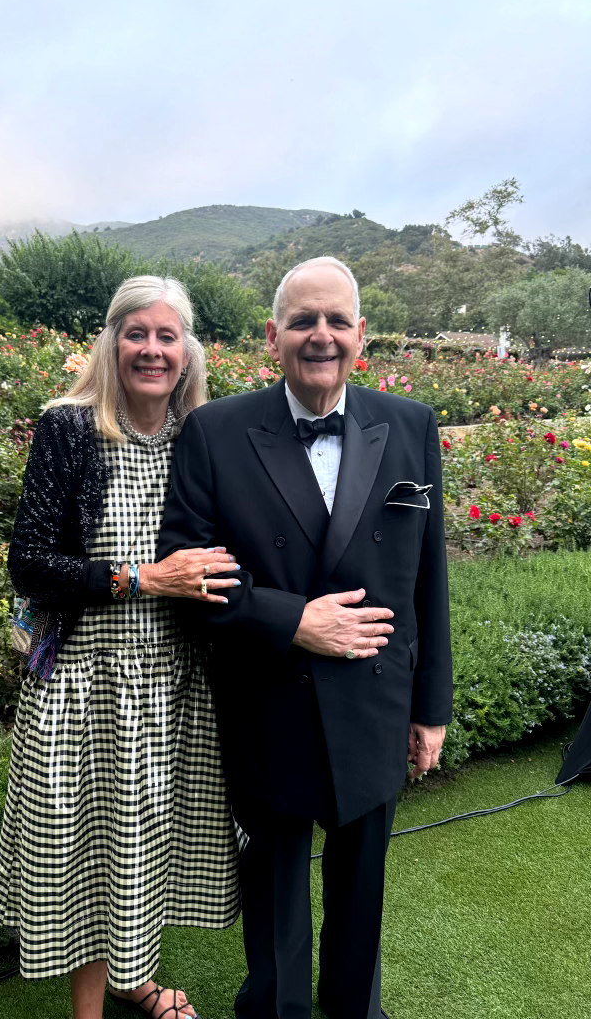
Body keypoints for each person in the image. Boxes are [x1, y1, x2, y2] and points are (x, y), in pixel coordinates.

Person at [157, 257, 454, 1019]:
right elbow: (191, 585)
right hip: (268, 699)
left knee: (364, 886)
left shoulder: (412, 426)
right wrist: (298, 622)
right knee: (278, 888)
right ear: (272, 335)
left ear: (361, 334)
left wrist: (432, 707)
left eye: (335, 320)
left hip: (376, 698)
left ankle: (357, 1008)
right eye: (302, 321)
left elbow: (428, 580)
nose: (319, 335)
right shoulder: (214, 433)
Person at [0, 275, 245, 1019]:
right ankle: (90, 1010)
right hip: (86, 681)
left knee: (146, 840)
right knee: (92, 851)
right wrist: (147, 578)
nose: (153, 350)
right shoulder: (69, 428)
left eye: (168, 336)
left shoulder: (203, 436)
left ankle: (137, 980)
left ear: (189, 350)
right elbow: (29, 562)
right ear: (111, 342)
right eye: (138, 333)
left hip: (173, 678)